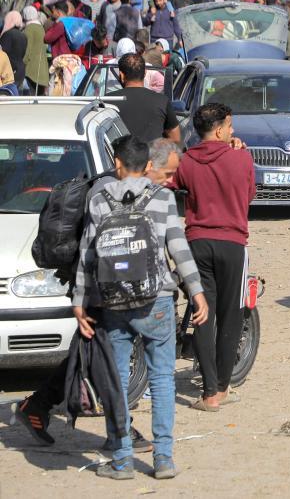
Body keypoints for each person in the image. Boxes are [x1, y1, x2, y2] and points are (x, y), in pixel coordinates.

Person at [9, 138, 185, 451]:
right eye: (166, 174)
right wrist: (82, 296)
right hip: (101, 287)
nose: (168, 181)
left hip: (104, 286)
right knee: (101, 360)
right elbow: (92, 248)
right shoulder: (105, 190)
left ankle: (38, 406)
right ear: (147, 166)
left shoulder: (119, 185)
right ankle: (121, 434)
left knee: (87, 353)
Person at [72, 136, 209, 480]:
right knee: (162, 378)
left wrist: (79, 302)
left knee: (117, 381)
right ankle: (163, 458)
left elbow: (88, 254)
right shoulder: (163, 198)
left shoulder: (99, 199)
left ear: (117, 164)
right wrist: (197, 291)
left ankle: (121, 461)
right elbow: (178, 248)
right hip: (158, 299)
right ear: (148, 165)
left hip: (113, 303)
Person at [169, 103, 256, 411]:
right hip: (233, 244)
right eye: (230, 126)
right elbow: (249, 195)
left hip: (197, 244)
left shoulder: (187, 161)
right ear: (219, 129)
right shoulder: (241, 158)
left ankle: (208, 393)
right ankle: (221, 386)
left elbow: (168, 179)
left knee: (202, 315)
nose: (233, 131)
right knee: (232, 316)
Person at [109, 54, 180, 143]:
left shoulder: (107, 102)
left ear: (122, 75)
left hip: (116, 156)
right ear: (145, 72)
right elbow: (175, 138)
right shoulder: (162, 100)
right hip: (152, 156)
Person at [22, 6, 48, 95]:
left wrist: (22, 63)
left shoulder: (29, 29)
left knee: (30, 97)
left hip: (32, 69)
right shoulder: (40, 27)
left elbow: (27, 50)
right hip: (42, 69)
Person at [1, 11, 27, 90]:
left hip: (10, 70)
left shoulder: (8, 34)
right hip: (20, 70)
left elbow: (3, 54)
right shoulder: (23, 35)